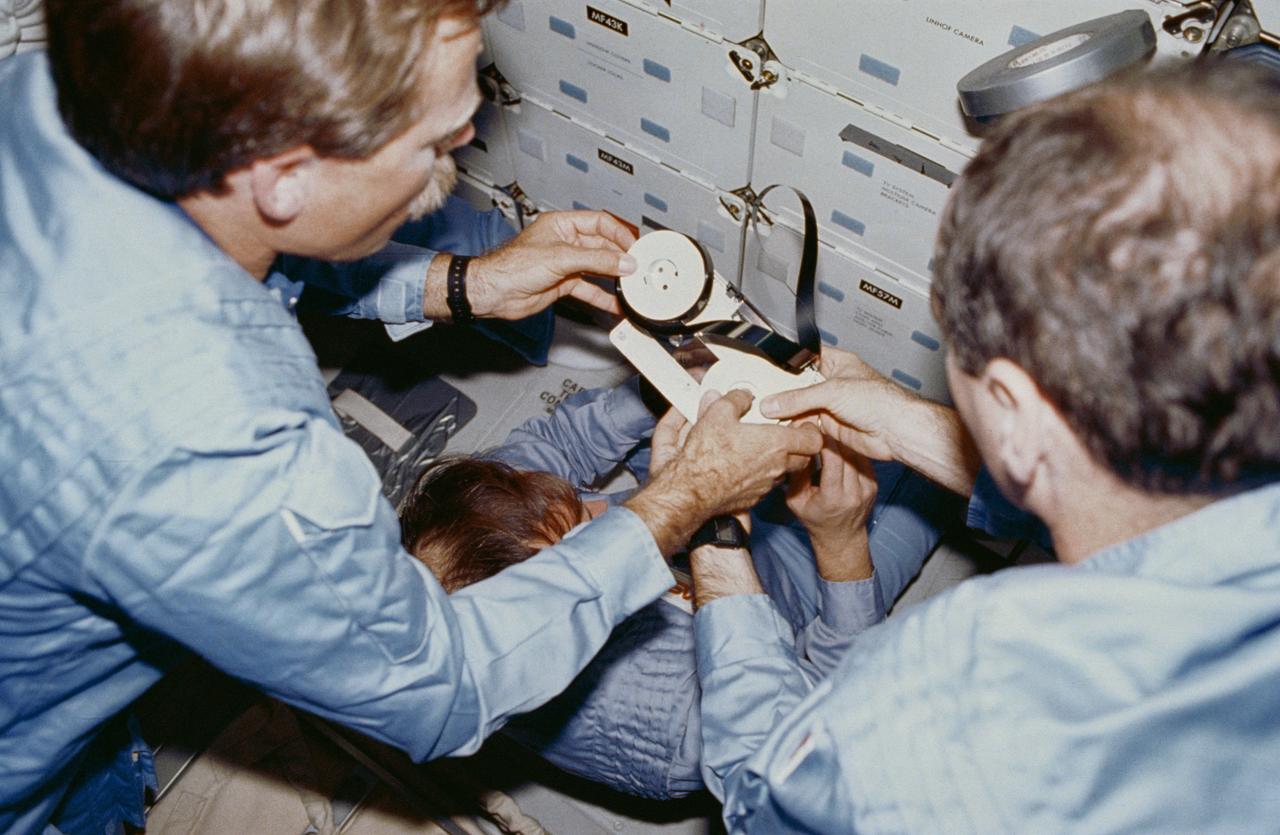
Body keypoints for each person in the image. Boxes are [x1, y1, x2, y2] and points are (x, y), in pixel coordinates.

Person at [0, 2, 823, 833]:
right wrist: (686, 498)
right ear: (286, 172)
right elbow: (441, 689)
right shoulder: (222, 447)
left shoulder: (52, 94)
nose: (462, 153)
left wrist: (465, 283)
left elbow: (236, 230)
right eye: (435, 146)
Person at [686, 61, 1280, 833]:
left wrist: (712, 524)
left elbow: (759, 796)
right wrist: (918, 425)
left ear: (1014, 408)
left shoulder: (971, 692)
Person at [395, 378, 964, 797]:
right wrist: (841, 544)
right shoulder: (665, 734)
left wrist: (673, 381)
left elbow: (563, 439)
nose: (605, 508)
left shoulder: (475, 521)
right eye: (581, 538)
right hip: (820, 608)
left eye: (578, 502)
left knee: (867, 409)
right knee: (942, 467)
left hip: (740, 526)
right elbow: (828, 705)